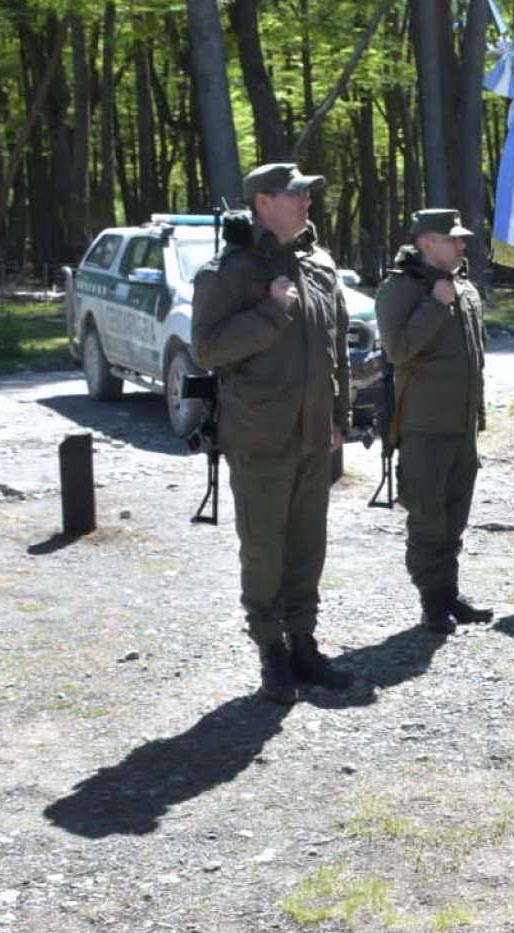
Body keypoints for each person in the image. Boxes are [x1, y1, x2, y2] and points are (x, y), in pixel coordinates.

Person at [193, 163, 355, 701]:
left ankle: (304, 642)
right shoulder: (231, 269)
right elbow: (209, 348)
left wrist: (340, 417)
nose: (308, 201)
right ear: (264, 202)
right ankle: (272, 652)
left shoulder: (319, 263)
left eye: (310, 193)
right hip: (260, 433)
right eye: (297, 194)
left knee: (308, 543)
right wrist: (270, 311)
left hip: (313, 432)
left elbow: (337, 351)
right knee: (264, 549)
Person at [375, 208, 491, 633]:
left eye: (462, 238)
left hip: (461, 425)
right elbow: (397, 349)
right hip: (424, 424)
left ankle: (449, 592)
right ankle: (431, 601)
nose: (463, 245)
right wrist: (435, 306)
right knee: (428, 518)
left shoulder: (466, 288)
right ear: (427, 243)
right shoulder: (400, 289)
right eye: (453, 239)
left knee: (455, 516)